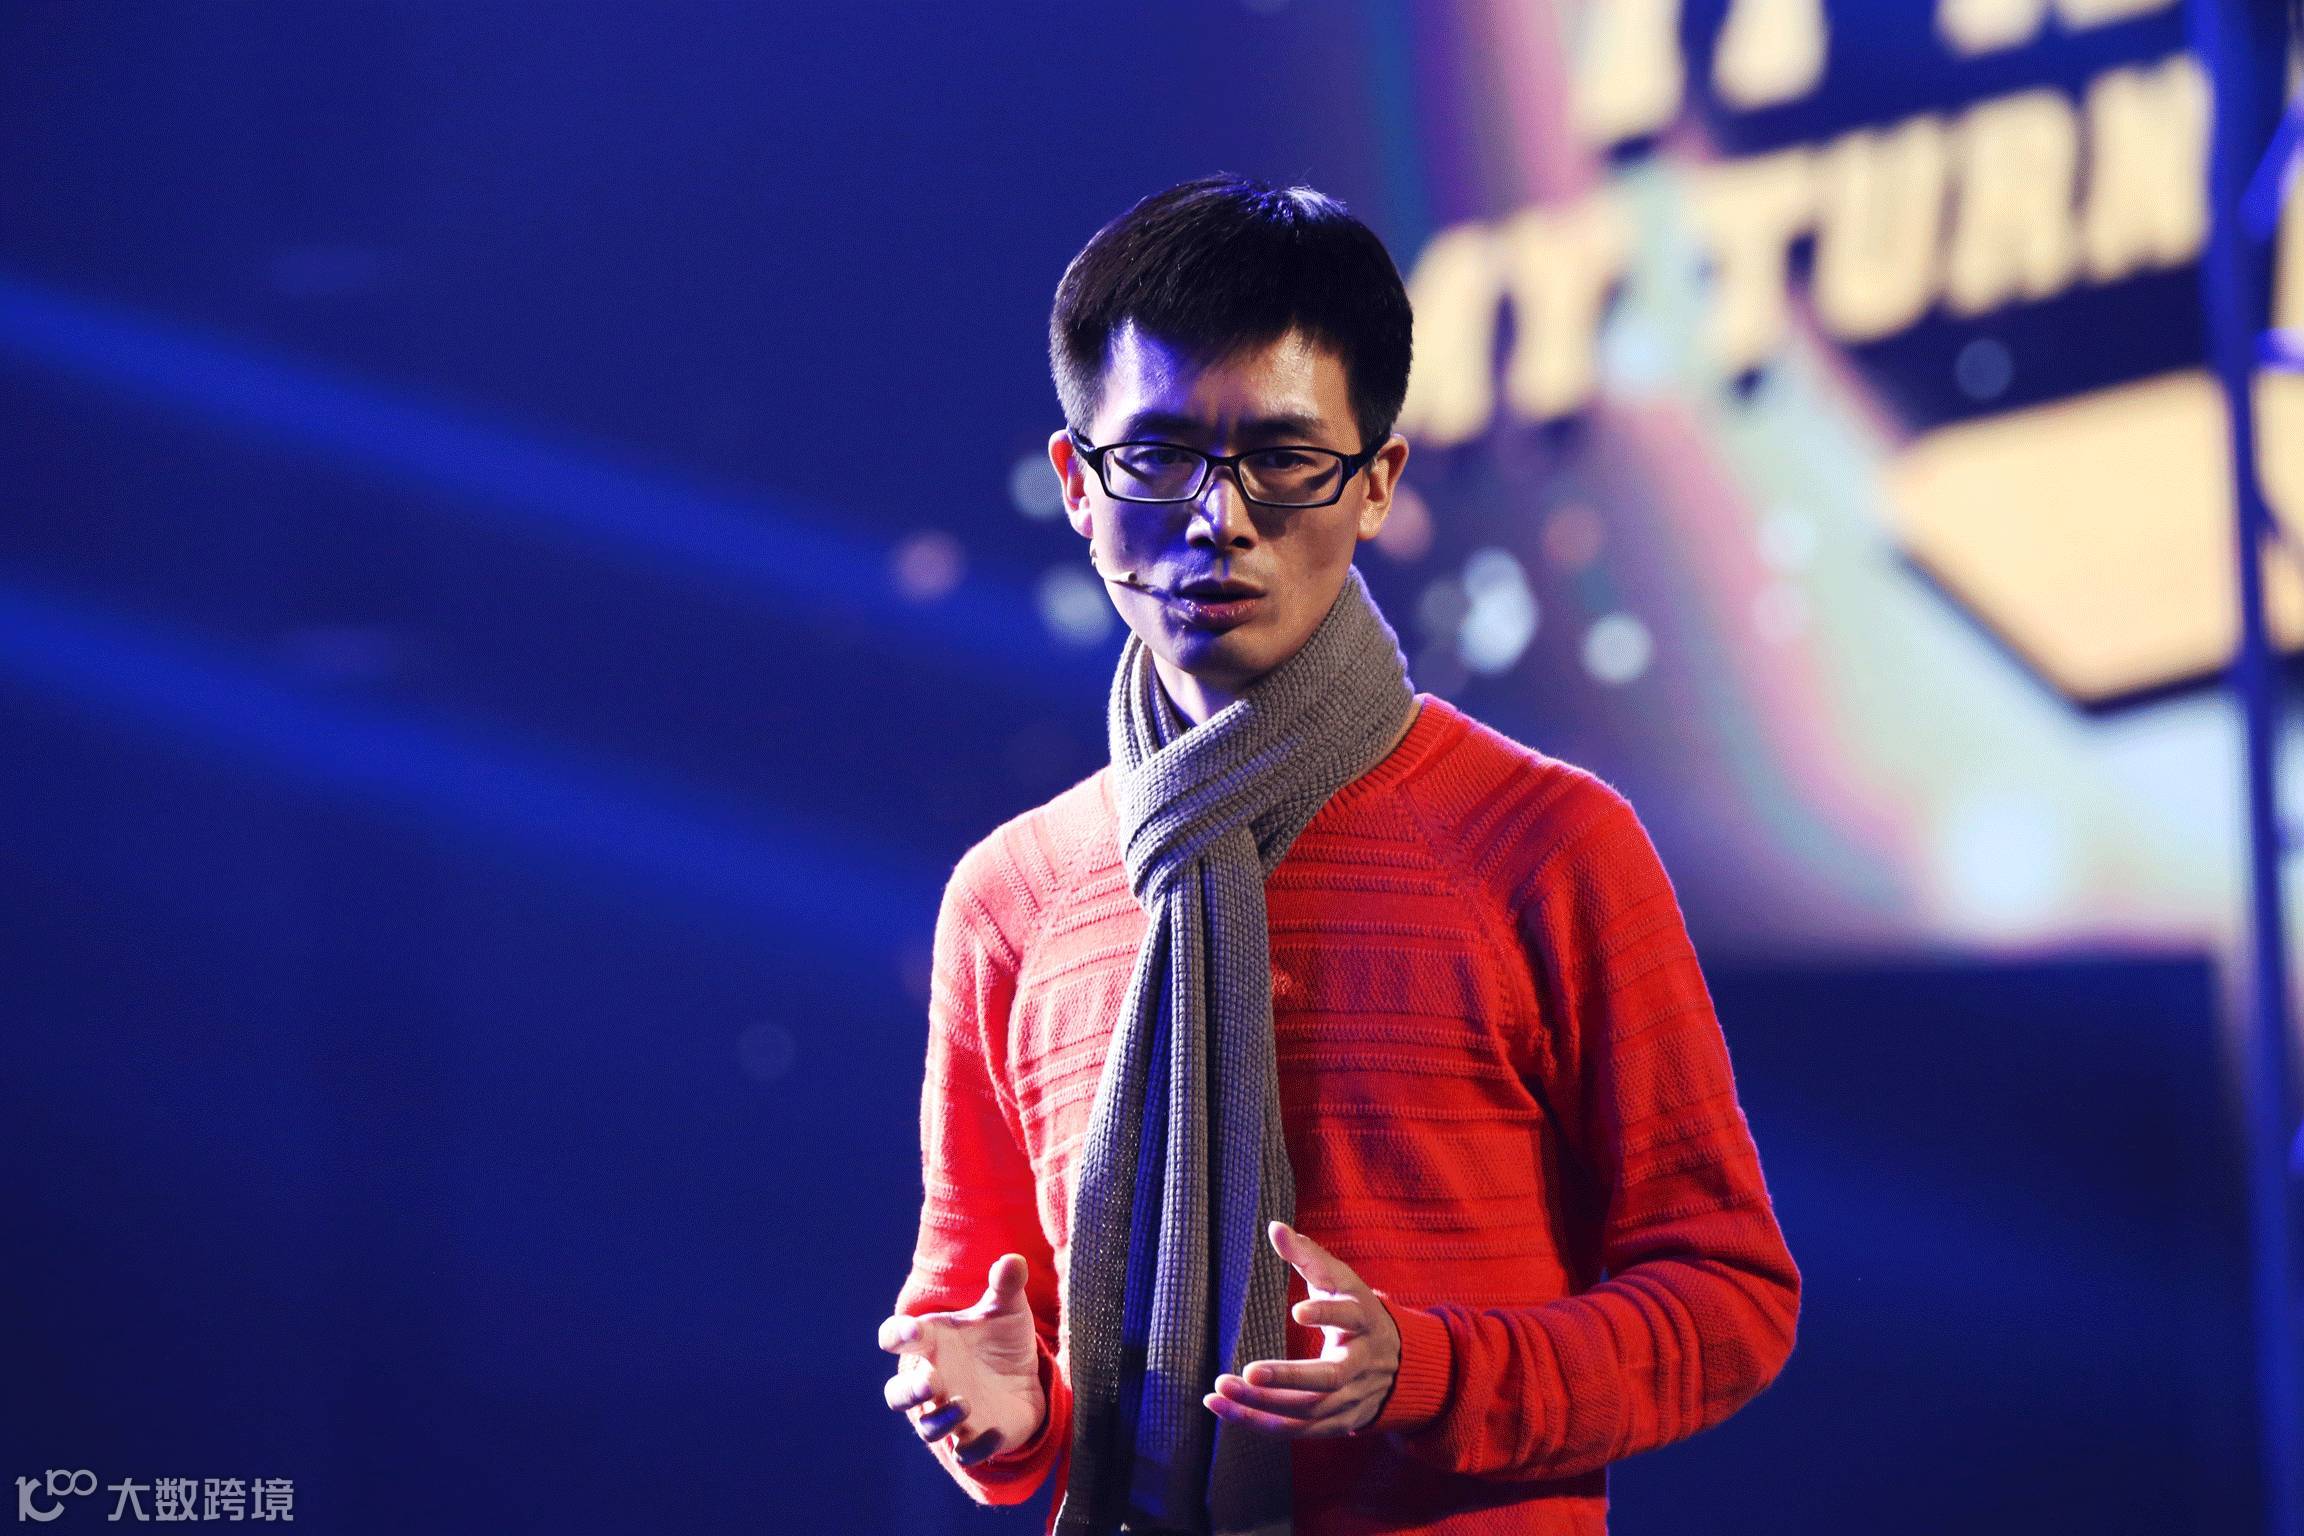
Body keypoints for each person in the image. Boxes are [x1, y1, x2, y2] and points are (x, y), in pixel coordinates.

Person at [877, 174, 1801, 1536]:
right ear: (1076, 486)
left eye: (1285, 461)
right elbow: (976, 1317)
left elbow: (1729, 1300)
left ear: (1376, 485)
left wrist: (1425, 1371)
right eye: (1158, 459)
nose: (1219, 518)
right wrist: (1003, 1417)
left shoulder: (1544, 846)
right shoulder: (1010, 901)